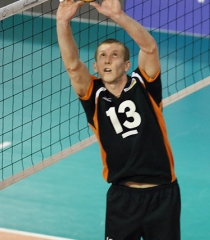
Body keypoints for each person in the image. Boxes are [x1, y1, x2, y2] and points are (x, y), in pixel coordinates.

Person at [56, 0, 181, 239]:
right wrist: (62, 21)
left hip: (163, 195)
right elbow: (72, 66)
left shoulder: (144, 84)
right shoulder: (93, 94)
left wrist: (118, 15)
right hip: (122, 198)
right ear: (95, 65)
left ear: (126, 64)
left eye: (114, 55)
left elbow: (150, 48)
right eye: (102, 56)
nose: (107, 59)